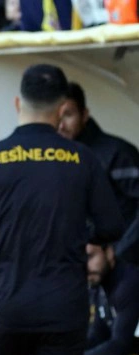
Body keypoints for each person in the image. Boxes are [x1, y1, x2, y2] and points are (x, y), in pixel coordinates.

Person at [0, 64, 125, 355]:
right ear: (62, 109)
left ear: (18, 103)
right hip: (63, 309)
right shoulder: (83, 159)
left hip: (5, 306)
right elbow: (112, 226)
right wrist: (75, 240)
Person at [59, 82, 139, 266]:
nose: (61, 125)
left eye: (68, 115)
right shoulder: (53, 159)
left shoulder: (118, 153)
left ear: (84, 114)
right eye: (56, 116)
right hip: (74, 267)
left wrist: (119, 253)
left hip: (122, 267)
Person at [74, 244, 139, 355]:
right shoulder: (101, 286)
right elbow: (96, 336)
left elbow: (120, 345)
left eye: (90, 257)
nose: (85, 266)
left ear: (109, 253)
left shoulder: (129, 283)